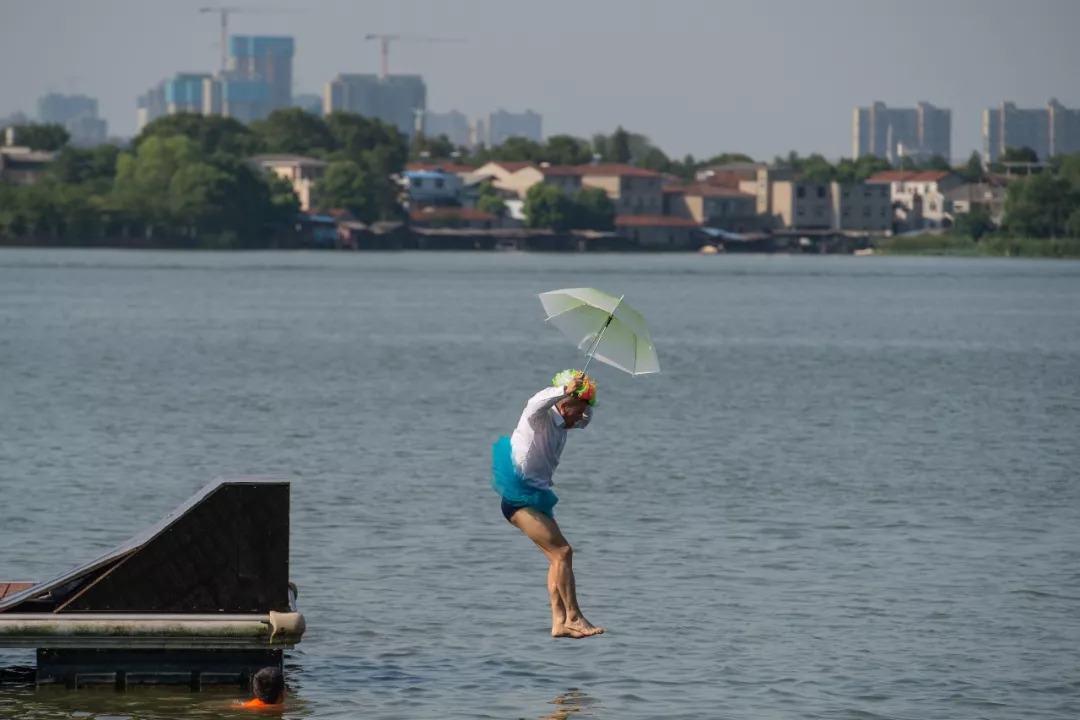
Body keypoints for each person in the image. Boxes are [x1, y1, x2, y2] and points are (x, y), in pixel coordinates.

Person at [492, 369, 604, 639]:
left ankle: (559, 622)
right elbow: (535, 401)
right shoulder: (538, 417)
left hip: (534, 498)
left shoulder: (565, 422)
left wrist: (586, 397)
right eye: (577, 410)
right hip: (519, 498)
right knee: (563, 552)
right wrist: (566, 389)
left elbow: (584, 421)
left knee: (557, 559)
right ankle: (574, 617)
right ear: (564, 405)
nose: (581, 417)